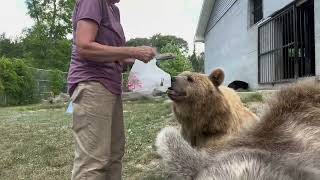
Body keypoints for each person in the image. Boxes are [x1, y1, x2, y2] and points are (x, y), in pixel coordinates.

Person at [67, 0, 156, 179]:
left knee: (114, 156)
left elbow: (113, 53)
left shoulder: (113, 10)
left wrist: (135, 59)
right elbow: (84, 45)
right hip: (92, 84)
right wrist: (133, 51)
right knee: (92, 163)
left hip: (111, 88)